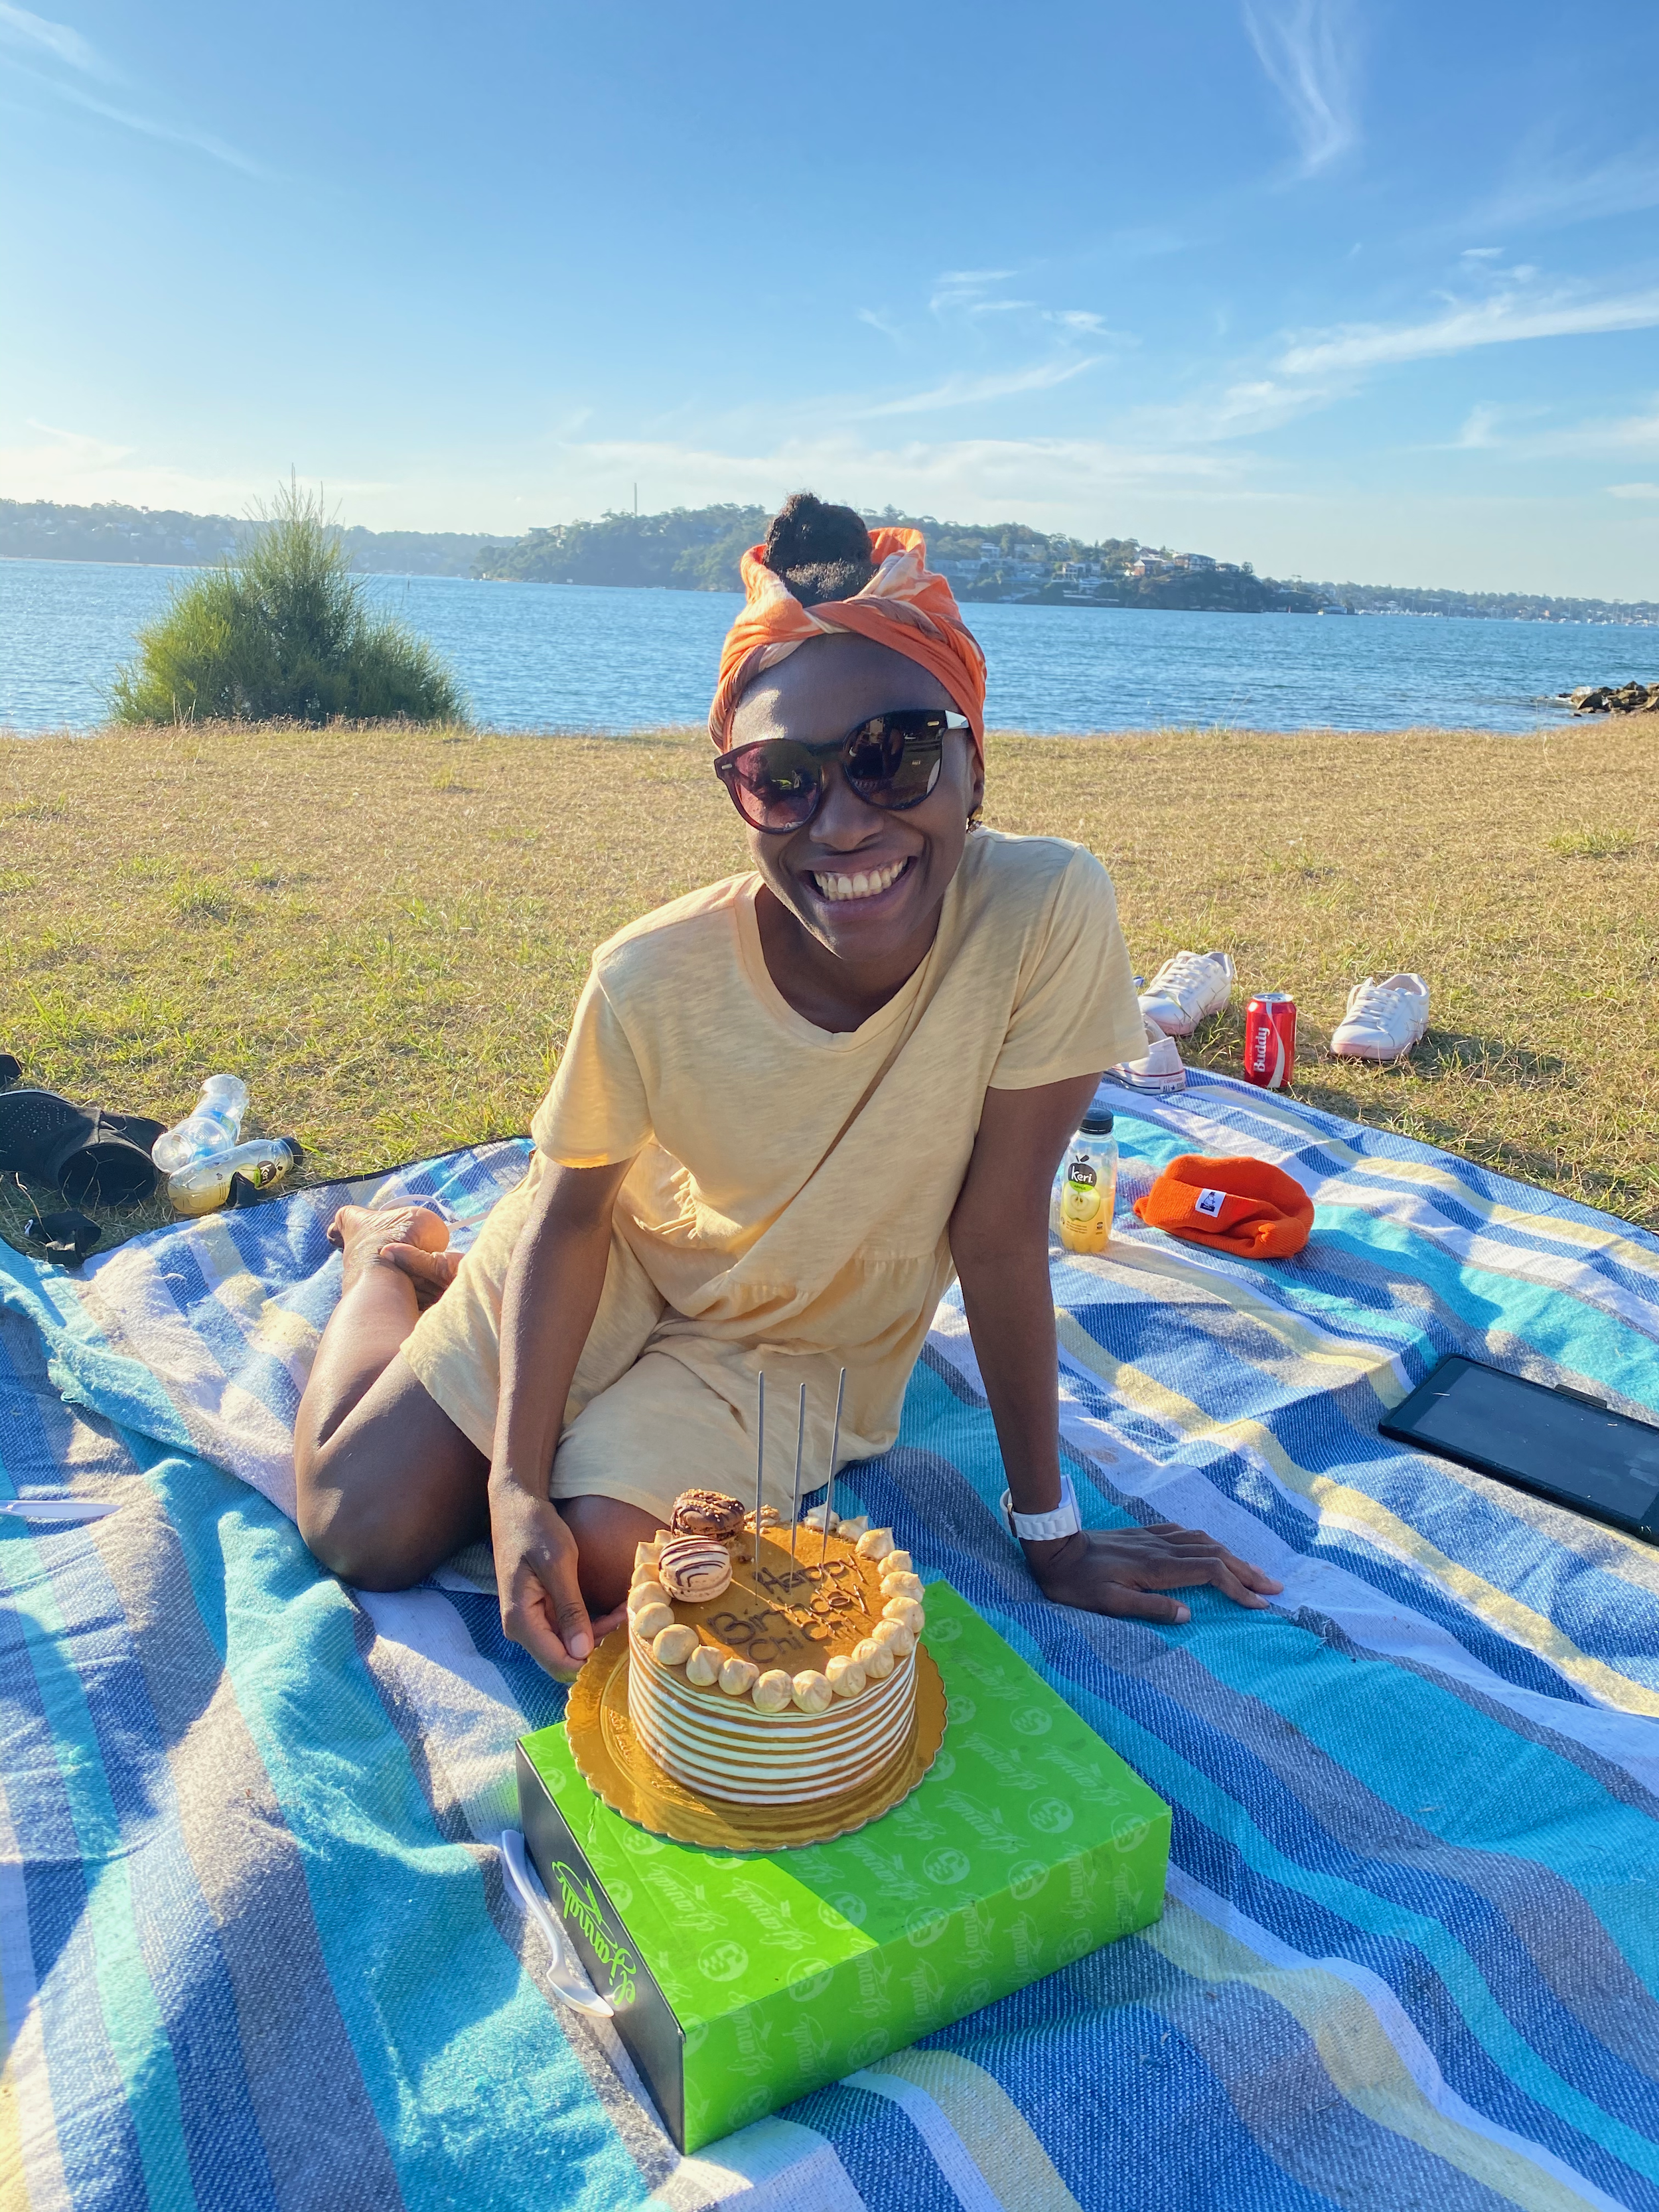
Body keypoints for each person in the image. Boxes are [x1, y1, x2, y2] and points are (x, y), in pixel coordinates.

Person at [295, 494, 1281, 1675]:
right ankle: (388, 1261)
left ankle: (463, 1311)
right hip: (616, 1256)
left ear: (975, 759)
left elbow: (1000, 1230)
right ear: (738, 796)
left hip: (801, 1344)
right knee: (364, 1527)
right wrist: (509, 1485)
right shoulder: (649, 974)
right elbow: (573, 1216)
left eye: (897, 752)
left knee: (622, 1558)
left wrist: (1049, 1531)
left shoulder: (1046, 912)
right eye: (785, 777)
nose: (848, 822)